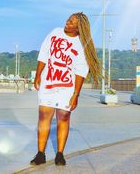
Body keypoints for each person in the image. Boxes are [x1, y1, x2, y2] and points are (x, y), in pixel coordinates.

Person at [30, 12, 101, 166]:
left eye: (71, 22)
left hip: (66, 88)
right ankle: (40, 154)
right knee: (44, 117)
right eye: (68, 20)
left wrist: (76, 94)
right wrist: (38, 75)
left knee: (63, 117)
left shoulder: (81, 45)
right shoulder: (55, 33)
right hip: (48, 83)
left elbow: (80, 71)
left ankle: (60, 154)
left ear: (79, 28)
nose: (67, 23)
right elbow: (44, 54)